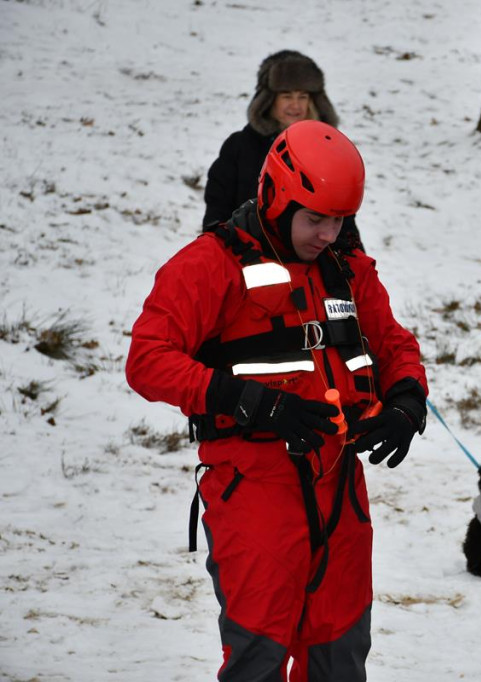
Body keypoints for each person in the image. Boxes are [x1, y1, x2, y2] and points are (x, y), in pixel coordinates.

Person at [126, 120, 427, 680]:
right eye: (315, 219)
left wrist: (409, 402)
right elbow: (147, 360)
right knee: (259, 654)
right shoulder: (211, 264)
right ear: (274, 197)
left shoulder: (347, 269)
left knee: (340, 654)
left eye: (340, 219)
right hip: (253, 488)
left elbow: (393, 344)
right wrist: (252, 402)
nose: (328, 234)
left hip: (339, 487)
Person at [203, 50, 363, 251]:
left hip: (313, 265)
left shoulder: (328, 154)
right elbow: (217, 213)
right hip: (248, 261)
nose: (295, 105)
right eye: (287, 96)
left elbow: (344, 222)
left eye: (303, 96)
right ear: (269, 100)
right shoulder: (239, 147)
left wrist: (353, 269)